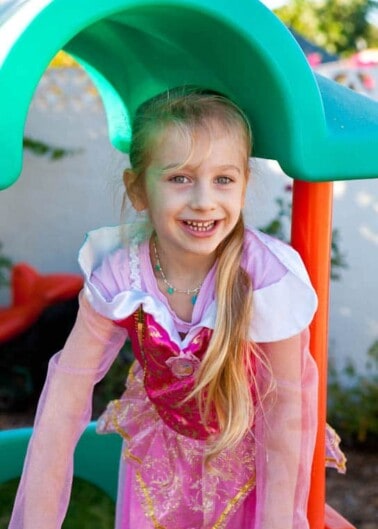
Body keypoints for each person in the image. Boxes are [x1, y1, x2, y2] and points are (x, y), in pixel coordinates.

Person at [8, 87, 342, 529]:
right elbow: (66, 395)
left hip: (252, 462)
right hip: (161, 455)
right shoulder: (120, 275)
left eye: (223, 179)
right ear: (139, 189)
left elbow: (285, 415)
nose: (203, 200)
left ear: (244, 183)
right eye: (180, 178)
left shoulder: (264, 278)